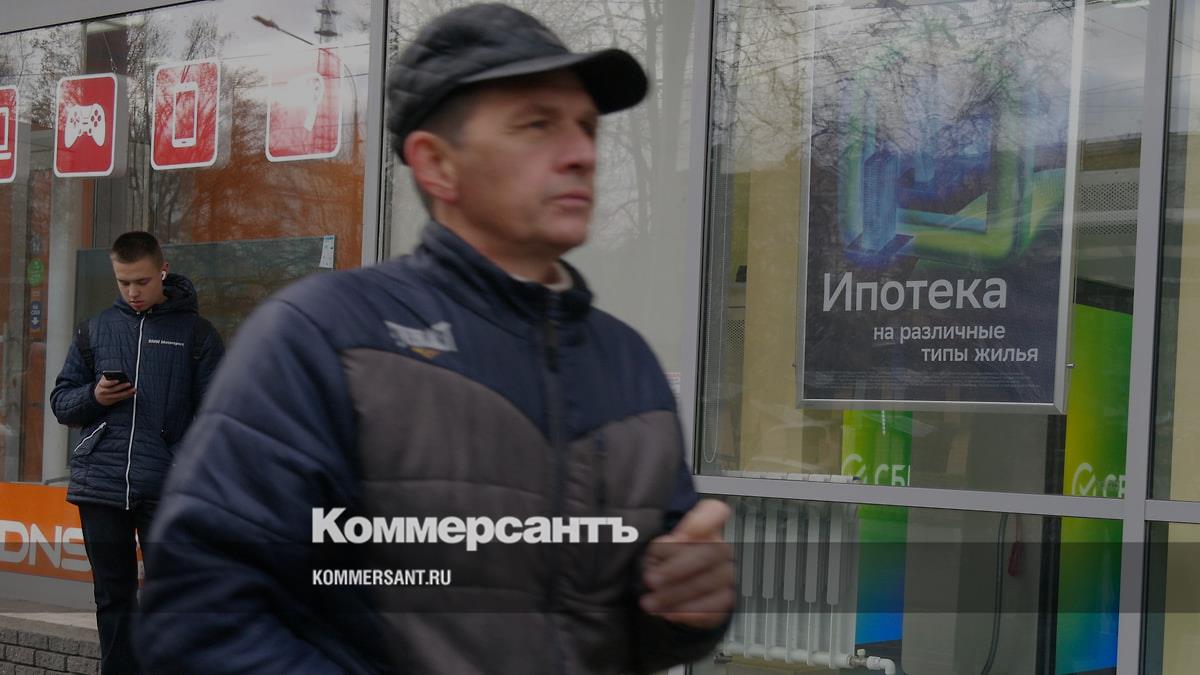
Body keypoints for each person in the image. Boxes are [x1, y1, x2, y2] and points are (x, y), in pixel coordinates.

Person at [135, 4, 735, 673]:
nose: (582, 154)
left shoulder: (629, 366)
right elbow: (194, 618)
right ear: (437, 164)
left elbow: (630, 620)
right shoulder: (325, 337)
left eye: (587, 127)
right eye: (537, 125)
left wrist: (687, 607)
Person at [49, 230, 224, 675]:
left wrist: (179, 462)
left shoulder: (197, 335)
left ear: (162, 271)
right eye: (123, 282)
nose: (133, 292)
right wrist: (95, 396)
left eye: (142, 281)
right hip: (101, 485)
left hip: (167, 487)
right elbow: (62, 403)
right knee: (112, 599)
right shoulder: (94, 329)